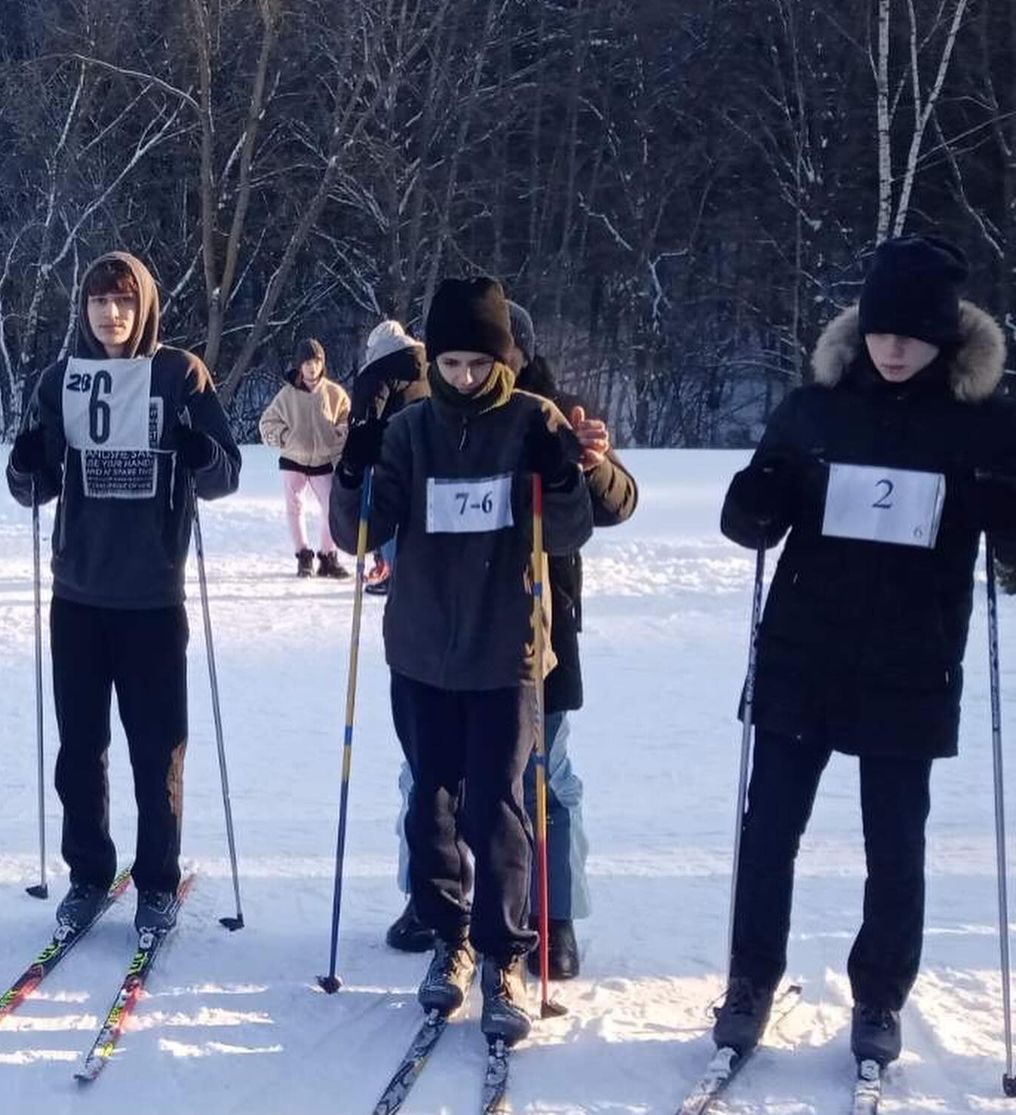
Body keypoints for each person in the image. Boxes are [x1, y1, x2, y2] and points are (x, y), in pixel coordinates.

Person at [714, 235, 1016, 1069]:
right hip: (802, 646)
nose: (893, 349)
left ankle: (880, 995)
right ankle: (750, 978)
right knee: (768, 826)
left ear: (944, 340)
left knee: (895, 838)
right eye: (883, 331)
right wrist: (756, 499)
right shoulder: (816, 404)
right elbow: (750, 514)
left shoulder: (981, 420)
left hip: (910, 658)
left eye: (913, 336)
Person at [330, 277, 593, 1046]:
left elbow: (570, 530)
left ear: (501, 358)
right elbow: (360, 533)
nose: (466, 377)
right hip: (419, 650)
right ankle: (452, 938)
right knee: (431, 805)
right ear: (434, 360)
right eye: (451, 362)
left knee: (497, 807)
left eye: (479, 362)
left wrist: (566, 470)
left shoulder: (530, 419)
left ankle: (505, 954)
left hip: (506, 652)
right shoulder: (413, 430)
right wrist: (355, 467)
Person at [384, 301, 639, 980]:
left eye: (494, 354)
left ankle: (551, 913)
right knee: (429, 778)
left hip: (535, 627)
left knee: (541, 780)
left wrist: (588, 466)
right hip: (444, 634)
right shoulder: (429, 415)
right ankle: (436, 906)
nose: (473, 371)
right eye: (458, 357)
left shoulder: (551, 414)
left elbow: (612, 504)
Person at [6, 251, 241, 934]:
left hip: (151, 599)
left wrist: (199, 452)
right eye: (100, 301)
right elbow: (34, 485)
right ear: (83, 309)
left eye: (125, 301)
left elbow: (225, 473)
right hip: (78, 595)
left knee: (156, 750)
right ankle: (87, 873)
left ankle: (156, 881)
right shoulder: (60, 380)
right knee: (80, 749)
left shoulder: (178, 374)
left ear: (146, 308)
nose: (112, 313)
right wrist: (25, 463)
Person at [347, 320, 429, 595]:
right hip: (429, 447)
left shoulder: (377, 370)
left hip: (391, 448)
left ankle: (393, 573)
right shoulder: (428, 362)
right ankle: (410, 572)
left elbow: (365, 415)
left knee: (388, 515)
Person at [258, 338, 350, 578]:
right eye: (307, 362)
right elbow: (267, 423)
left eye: (316, 361)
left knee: (332, 507)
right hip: (293, 460)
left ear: (323, 364)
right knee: (295, 507)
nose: (311, 367)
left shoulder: (334, 393)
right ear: (299, 365)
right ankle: (303, 556)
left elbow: (347, 417)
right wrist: (285, 436)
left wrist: (341, 432)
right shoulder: (286, 395)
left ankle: (328, 557)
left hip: (323, 460)